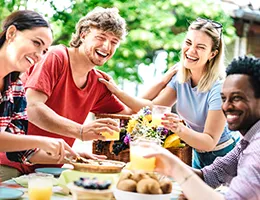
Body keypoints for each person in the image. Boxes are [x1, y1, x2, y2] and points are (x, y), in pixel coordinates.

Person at [0, 7, 132, 179]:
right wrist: (80, 131)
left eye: (114, 41)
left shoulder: (15, 88)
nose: (107, 46)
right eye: (101, 37)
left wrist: (73, 156)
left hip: (46, 169)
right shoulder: (57, 57)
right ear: (83, 34)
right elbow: (32, 108)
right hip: (9, 166)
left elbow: (131, 113)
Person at [100, 17, 238, 168]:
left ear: (212, 54)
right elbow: (150, 108)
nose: (191, 50)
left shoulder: (218, 88)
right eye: (188, 43)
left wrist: (179, 128)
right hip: (197, 155)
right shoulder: (181, 80)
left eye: (201, 47)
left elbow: (209, 142)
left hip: (225, 157)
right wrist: (117, 91)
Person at [145, 56, 260, 199]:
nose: (225, 106)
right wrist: (167, 161)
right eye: (223, 98)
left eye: (237, 98)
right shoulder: (246, 142)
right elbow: (210, 175)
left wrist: (175, 168)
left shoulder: (257, 149)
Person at [0, 10, 79, 181]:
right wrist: (41, 140)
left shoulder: (16, 89)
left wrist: (75, 158)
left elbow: (19, 150)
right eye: (36, 43)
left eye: (44, 51)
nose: (39, 55)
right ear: (11, 33)